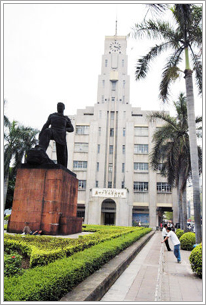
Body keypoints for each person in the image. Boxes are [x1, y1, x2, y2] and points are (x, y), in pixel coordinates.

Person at [38, 102, 74, 167]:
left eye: (61, 106)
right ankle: (41, 149)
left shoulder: (66, 118)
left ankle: (62, 166)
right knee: (47, 131)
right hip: (53, 130)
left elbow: (71, 129)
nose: (59, 107)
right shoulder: (52, 116)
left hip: (61, 135)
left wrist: (65, 129)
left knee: (62, 155)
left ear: (63, 108)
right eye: (58, 106)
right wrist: (41, 133)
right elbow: (46, 125)